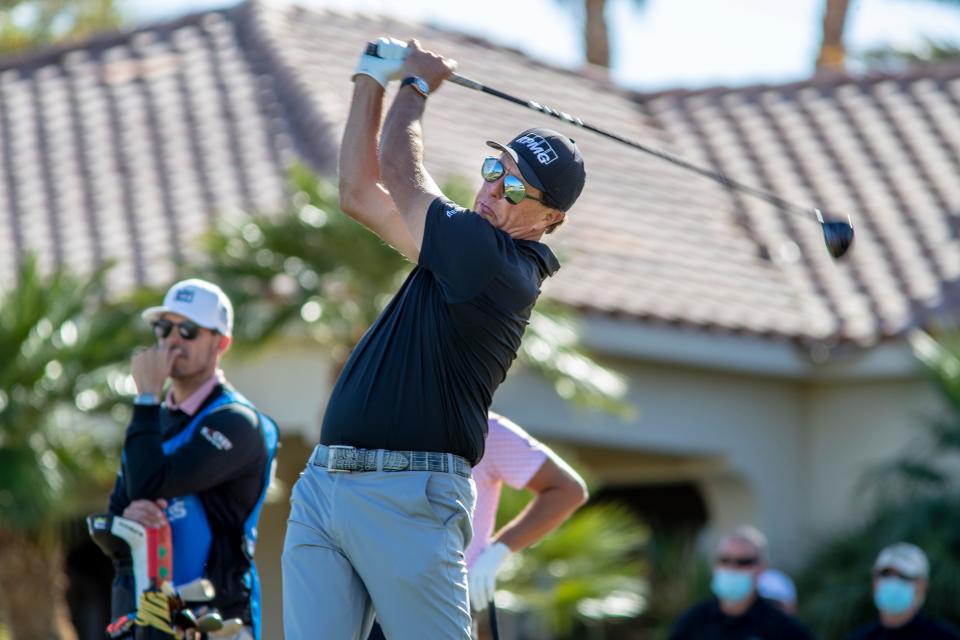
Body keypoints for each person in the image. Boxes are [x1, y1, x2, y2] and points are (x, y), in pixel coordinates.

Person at [281, 36, 587, 640]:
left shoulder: (496, 264)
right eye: (495, 169)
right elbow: (359, 194)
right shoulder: (461, 248)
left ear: (550, 221)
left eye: (517, 190)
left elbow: (398, 168)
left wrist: (417, 85)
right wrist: (372, 75)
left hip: (409, 498)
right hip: (324, 487)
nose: (494, 191)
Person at [106, 279, 279, 640]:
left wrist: (146, 398)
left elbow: (150, 483)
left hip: (216, 622)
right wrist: (125, 517)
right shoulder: (152, 419)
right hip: (151, 620)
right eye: (164, 327)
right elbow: (115, 515)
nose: (172, 340)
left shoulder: (236, 422)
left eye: (188, 330)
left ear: (222, 343)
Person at [367, 412, 588, 639]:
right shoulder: (383, 421)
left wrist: (498, 551)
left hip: (449, 598)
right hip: (376, 594)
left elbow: (567, 490)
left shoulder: (488, 430)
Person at [669, 526, 814, 640]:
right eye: (724, 560)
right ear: (714, 566)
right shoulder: (692, 621)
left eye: (743, 562)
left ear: (761, 568)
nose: (732, 568)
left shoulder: (784, 628)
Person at [846, 542, 960, 640]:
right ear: (874, 581)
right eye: (885, 574)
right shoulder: (859, 637)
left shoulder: (944, 637)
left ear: (922, 586)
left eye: (904, 576)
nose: (893, 582)